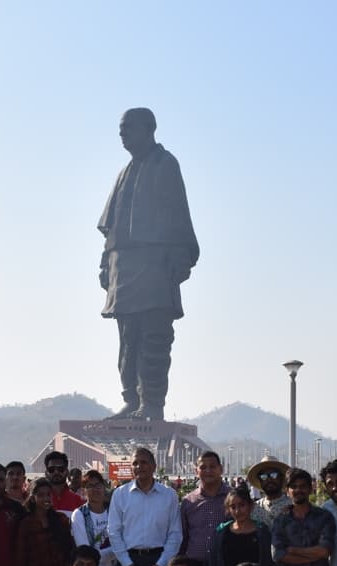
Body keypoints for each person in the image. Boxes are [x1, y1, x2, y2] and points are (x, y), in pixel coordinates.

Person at [97, 106, 199, 421]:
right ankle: (131, 399)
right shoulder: (124, 172)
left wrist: (180, 258)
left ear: (148, 129)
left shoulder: (166, 165)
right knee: (127, 340)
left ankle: (152, 403)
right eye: (120, 130)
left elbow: (179, 214)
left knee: (154, 336)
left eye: (128, 128)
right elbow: (110, 227)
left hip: (154, 264)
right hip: (123, 267)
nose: (122, 135)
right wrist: (105, 264)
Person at [207, 485, 275, 566]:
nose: (238, 511)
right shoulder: (222, 533)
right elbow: (214, 564)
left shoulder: (262, 532)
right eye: (233, 507)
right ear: (228, 509)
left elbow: (269, 565)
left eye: (242, 505)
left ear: (250, 506)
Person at [14, 479, 75, 566]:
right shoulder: (26, 524)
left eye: (49, 494)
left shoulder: (60, 519)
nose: (46, 498)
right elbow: (21, 557)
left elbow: (68, 550)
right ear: (33, 497)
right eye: (41, 495)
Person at [179, 450, 230, 566]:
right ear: (196, 471)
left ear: (221, 469)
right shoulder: (188, 502)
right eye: (203, 467)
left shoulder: (233, 498)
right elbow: (183, 536)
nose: (208, 471)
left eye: (212, 466)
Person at [72, 470, 118, 566]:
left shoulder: (114, 511)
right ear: (84, 491)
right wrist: (116, 551)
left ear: (104, 487)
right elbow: (86, 553)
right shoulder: (79, 515)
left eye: (98, 485)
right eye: (90, 486)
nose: (95, 489)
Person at [247, 457, 291, 527]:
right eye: (263, 476)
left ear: (281, 478)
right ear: (260, 481)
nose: (269, 480)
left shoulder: (293, 506)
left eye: (274, 475)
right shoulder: (253, 508)